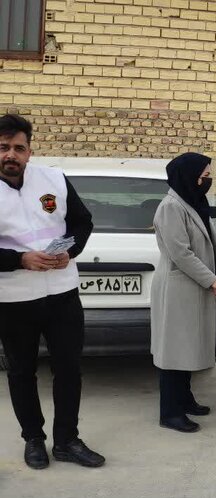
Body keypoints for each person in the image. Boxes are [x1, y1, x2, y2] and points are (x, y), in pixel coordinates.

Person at [0, 114, 105, 469]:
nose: (10, 155)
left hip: (62, 293)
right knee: (21, 372)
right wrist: (19, 259)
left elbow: (82, 221)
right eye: (3, 147)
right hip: (13, 298)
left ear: (29, 151)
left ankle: (67, 440)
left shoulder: (54, 179)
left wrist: (69, 251)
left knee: (69, 368)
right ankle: (34, 439)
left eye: (18, 147)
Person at [151, 152, 216, 434]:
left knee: (188, 347)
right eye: (204, 175)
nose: (207, 180)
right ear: (188, 175)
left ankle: (184, 399)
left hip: (193, 289)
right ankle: (170, 413)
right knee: (174, 350)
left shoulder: (191, 202)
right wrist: (212, 280)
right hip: (178, 289)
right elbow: (181, 253)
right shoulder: (172, 207)